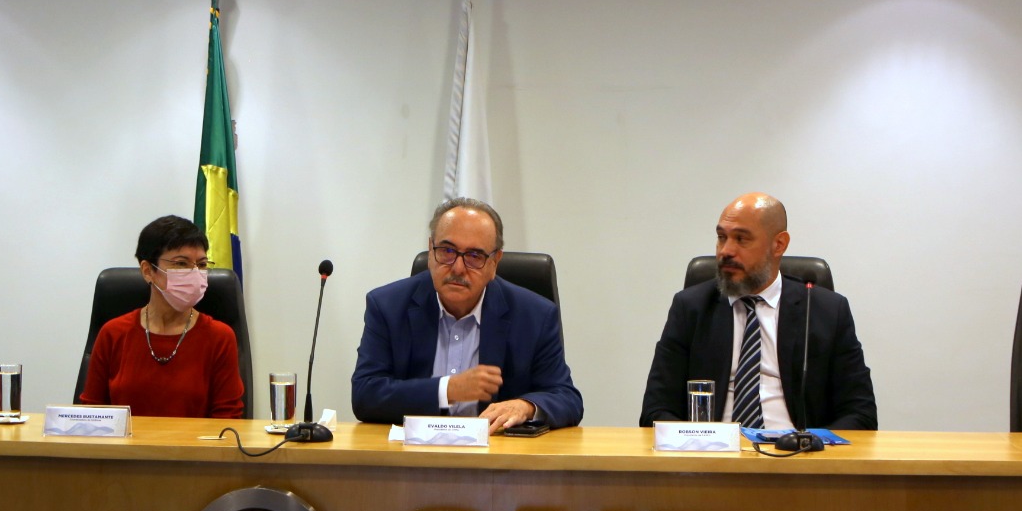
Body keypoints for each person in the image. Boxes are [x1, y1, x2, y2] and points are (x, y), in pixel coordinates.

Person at [640, 192, 877, 430]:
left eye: (741, 239)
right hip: (713, 448)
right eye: (722, 237)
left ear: (779, 244)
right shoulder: (691, 307)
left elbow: (860, 413)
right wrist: (698, 442)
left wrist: (813, 445)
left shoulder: (827, 311)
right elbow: (656, 410)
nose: (725, 251)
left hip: (796, 448)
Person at [351, 197, 583, 433]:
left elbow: (567, 398)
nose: (458, 268)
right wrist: (447, 390)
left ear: (494, 263)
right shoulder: (388, 306)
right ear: (430, 251)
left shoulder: (534, 315)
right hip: (412, 452)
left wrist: (526, 406)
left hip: (497, 452)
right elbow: (365, 394)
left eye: (474, 256)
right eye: (447, 251)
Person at [80, 216, 245, 419]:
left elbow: (228, 421)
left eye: (202, 264)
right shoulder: (113, 334)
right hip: (127, 441)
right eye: (181, 263)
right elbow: (91, 415)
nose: (195, 274)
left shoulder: (219, 337)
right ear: (148, 271)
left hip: (195, 441)